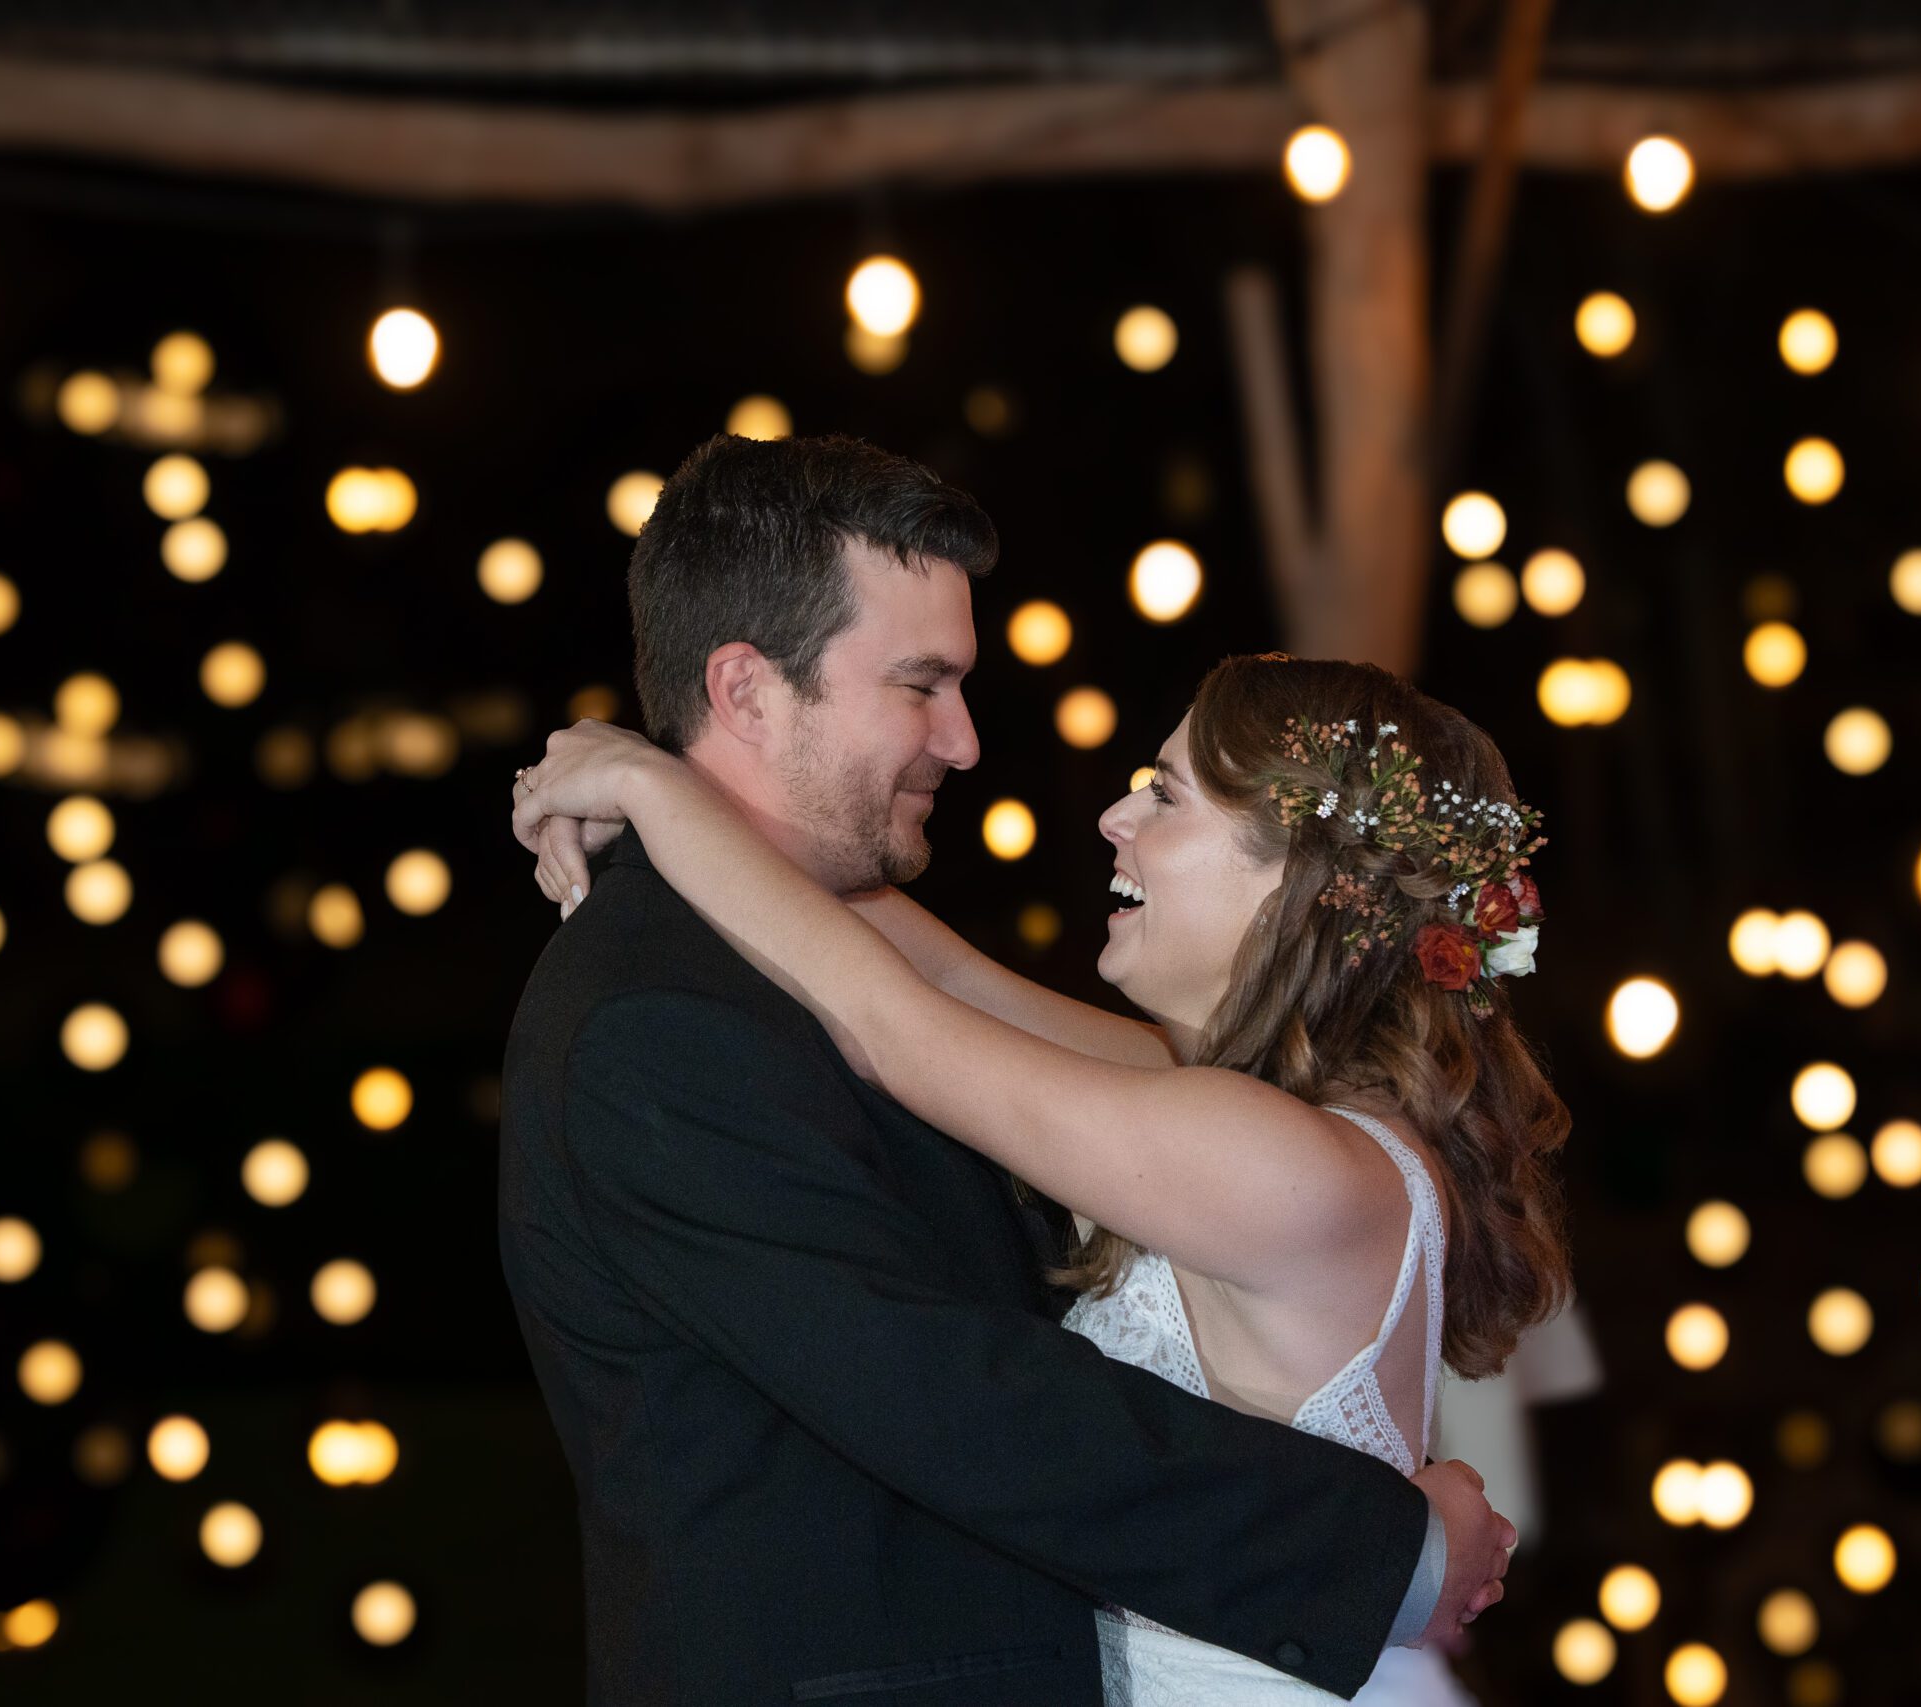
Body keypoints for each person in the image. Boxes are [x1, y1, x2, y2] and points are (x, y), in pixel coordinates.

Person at [497, 432, 1556, 1705]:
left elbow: (904, 1020)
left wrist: (661, 792)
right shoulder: (657, 1022)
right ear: (745, 691)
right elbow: (956, 1375)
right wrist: (661, 796)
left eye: (1163, 798)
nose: (966, 741)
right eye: (921, 684)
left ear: (1297, 888)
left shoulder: (1265, 1136)